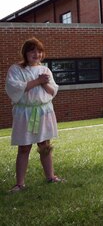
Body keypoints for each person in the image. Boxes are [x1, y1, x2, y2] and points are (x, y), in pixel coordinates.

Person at [5, 37, 64, 193]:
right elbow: (14, 89)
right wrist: (37, 81)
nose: (36, 54)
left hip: (43, 111)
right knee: (24, 147)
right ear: (25, 53)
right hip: (25, 113)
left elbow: (52, 91)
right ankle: (19, 183)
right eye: (32, 50)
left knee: (45, 146)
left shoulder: (45, 70)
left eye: (39, 51)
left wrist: (43, 82)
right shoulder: (16, 69)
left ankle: (50, 176)